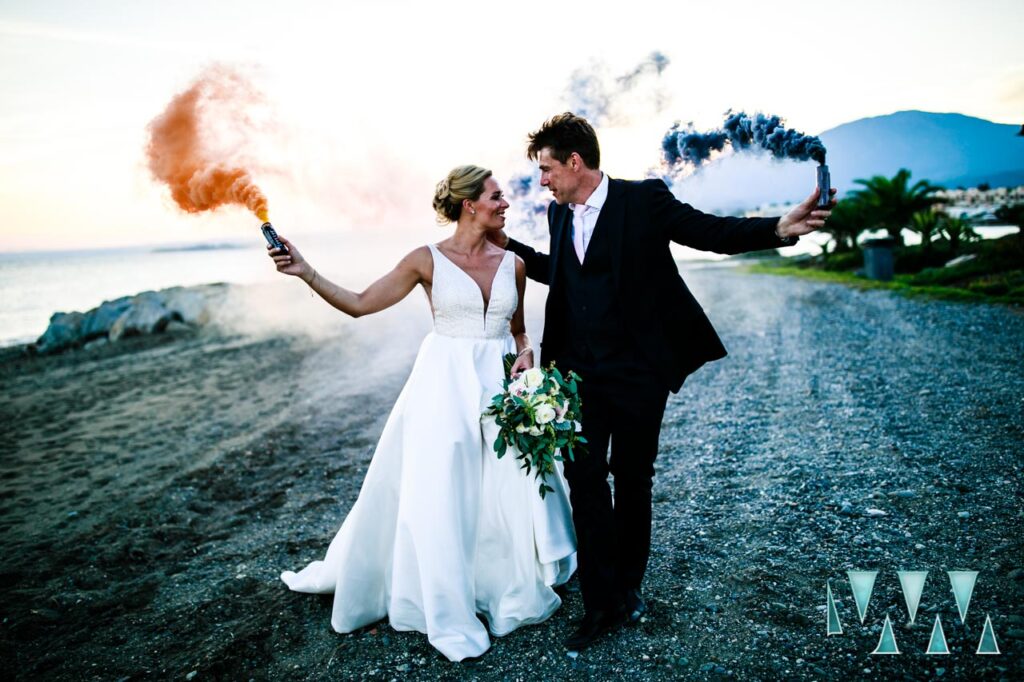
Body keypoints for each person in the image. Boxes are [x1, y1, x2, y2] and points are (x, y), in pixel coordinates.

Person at [491, 112, 836, 650]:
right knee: (584, 484)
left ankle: (628, 590)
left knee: (632, 480)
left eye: (547, 169)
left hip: (637, 373)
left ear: (575, 162)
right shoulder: (559, 215)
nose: (542, 180)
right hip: (575, 375)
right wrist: (498, 246)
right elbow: (555, 271)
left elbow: (710, 232)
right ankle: (599, 604)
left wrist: (776, 228)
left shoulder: (644, 200)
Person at [270, 164, 577, 662]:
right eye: (496, 197)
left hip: (497, 387)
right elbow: (360, 303)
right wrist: (305, 271)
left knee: (505, 483)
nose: (505, 204)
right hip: (442, 388)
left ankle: (498, 581)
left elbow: (518, 327)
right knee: (443, 488)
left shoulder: (513, 263)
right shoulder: (425, 260)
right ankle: (440, 591)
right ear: (468, 205)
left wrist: (526, 351)